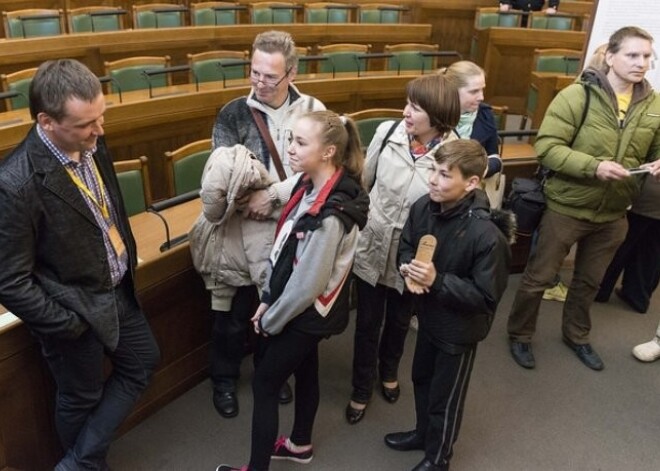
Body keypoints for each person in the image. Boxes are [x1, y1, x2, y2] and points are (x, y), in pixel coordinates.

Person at [0, 59, 160, 470]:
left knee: (143, 362)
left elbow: (107, 212)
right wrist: (68, 324)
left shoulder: (91, 141)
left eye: (101, 117)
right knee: (80, 398)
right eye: (87, 123)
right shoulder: (14, 184)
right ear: (47, 121)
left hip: (117, 291)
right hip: (74, 312)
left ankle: (77, 463)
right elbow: (10, 282)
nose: (100, 131)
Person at [216, 110, 369, 471]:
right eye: (290, 139)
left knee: (265, 384)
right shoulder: (308, 184)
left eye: (301, 142)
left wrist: (271, 319)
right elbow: (284, 248)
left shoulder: (331, 214)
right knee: (307, 370)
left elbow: (309, 284)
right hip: (294, 307)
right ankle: (300, 444)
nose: (290, 149)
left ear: (328, 151)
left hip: (307, 313)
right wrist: (268, 296)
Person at [507, 26, 660, 372]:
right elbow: (546, 148)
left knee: (590, 280)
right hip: (567, 207)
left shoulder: (654, 104)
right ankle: (519, 333)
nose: (641, 63)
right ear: (610, 57)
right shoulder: (577, 96)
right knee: (539, 276)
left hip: (614, 213)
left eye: (647, 56)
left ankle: (576, 335)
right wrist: (594, 167)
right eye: (632, 55)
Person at [208, 30, 325, 418]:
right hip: (241, 226)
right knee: (231, 311)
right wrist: (247, 196)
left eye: (269, 76)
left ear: (291, 72)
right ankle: (223, 379)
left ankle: (268, 374)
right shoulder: (233, 113)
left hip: (290, 225)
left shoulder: (313, 109)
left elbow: (323, 169)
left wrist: (272, 194)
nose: (259, 82)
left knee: (271, 304)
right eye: (254, 72)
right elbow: (220, 173)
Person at [384, 139, 513, 471]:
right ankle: (423, 435)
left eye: (444, 175)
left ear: (471, 183)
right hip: (427, 317)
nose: (432, 180)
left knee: (446, 399)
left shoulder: (487, 235)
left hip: (459, 331)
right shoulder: (424, 207)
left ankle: (439, 458)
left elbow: (485, 298)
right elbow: (408, 245)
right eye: (433, 171)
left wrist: (436, 281)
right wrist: (406, 266)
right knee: (421, 380)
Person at [346, 74, 460, 425]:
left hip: (414, 251)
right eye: (408, 103)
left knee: (399, 320)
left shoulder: (454, 151)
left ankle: (389, 371)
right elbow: (366, 184)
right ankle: (361, 388)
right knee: (367, 323)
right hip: (374, 241)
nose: (406, 111)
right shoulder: (387, 132)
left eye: (416, 107)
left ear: (438, 116)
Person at [595, 178, 660, 313]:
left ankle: (600, 289)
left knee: (619, 246)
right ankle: (637, 297)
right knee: (651, 252)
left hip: (644, 197)